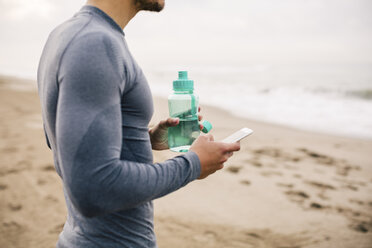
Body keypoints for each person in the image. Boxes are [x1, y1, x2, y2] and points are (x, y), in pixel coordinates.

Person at [37, 0, 241, 247]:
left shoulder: (67, 34)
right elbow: (93, 189)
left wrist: (144, 138)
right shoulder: (95, 43)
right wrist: (193, 164)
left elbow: (66, 142)